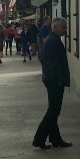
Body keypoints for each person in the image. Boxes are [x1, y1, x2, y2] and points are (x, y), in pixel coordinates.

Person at [32, 17, 72, 149]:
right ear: (55, 27)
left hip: (51, 79)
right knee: (53, 110)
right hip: (54, 80)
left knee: (54, 110)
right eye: (63, 27)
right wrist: (59, 80)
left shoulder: (52, 39)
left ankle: (55, 139)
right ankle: (39, 138)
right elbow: (53, 63)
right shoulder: (53, 41)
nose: (65, 30)